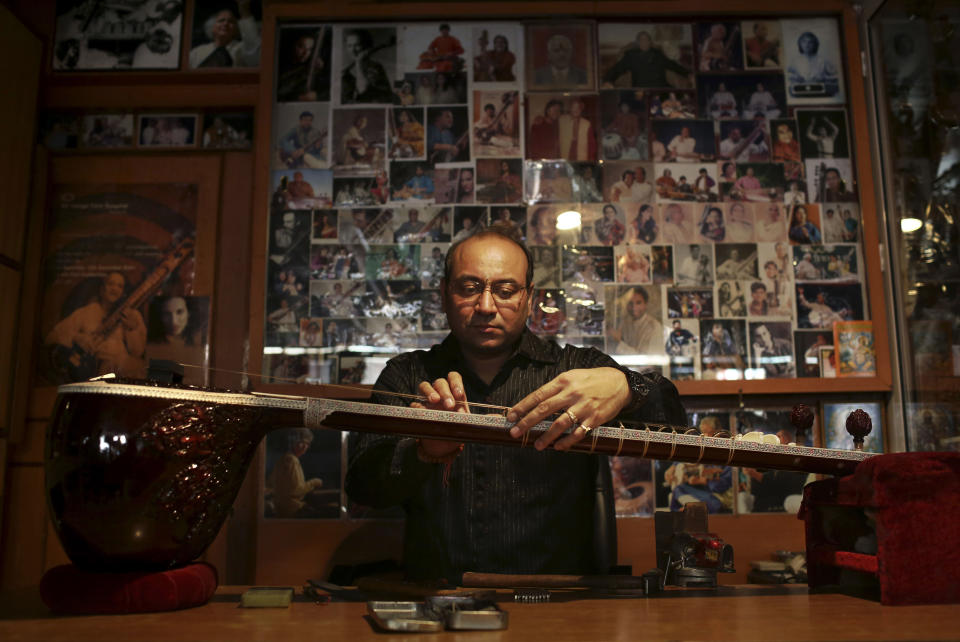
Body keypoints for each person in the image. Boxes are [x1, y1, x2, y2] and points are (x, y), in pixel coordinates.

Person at [345, 226, 685, 580]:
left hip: (559, 604)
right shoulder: (407, 375)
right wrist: (422, 449)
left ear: (529, 297)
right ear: (444, 294)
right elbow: (362, 486)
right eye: (469, 288)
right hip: (439, 604)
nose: (486, 306)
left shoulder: (575, 370)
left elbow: (676, 424)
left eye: (505, 291)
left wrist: (625, 387)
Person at [46, 271, 147, 380]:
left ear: (123, 292)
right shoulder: (86, 312)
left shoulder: (133, 315)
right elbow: (52, 336)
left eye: (120, 286)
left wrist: (132, 329)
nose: (114, 289)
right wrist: (77, 337)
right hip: (91, 373)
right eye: (110, 284)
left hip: (122, 374)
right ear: (102, 289)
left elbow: (138, 352)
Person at [602, 31, 693, 88]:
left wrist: (688, 74)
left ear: (650, 42)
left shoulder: (658, 54)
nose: (644, 42)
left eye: (646, 40)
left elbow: (673, 65)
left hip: (661, 91)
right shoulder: (631, 56)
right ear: (638, 43)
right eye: (641, 40)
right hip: (642, 91)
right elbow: (617, 69)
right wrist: (608, 80)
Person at [267, 428, 325, 518]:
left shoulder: (284, 459)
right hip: (291, 510)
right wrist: (314, 482)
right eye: (301, 442)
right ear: (293, 442)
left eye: (307, 444)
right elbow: (296, 491)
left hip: (282, 509)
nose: (304, 446)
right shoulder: (291, 460)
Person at [189, 1, 260, 68]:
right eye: (221, 20)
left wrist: (244, 11)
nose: (225, 23)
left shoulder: (242, 49)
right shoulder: (197, 52)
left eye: (231, 21)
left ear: (236, 29)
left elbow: (254, 55)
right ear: (212, 28)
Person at [341, 28, 394, 104]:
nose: (353, 50)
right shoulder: (347, 69)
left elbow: (363, 90)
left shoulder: (375, 67)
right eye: (349, 46)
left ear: (366, 47)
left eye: (357, 45)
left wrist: (359, 62)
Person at [609, 286, 664, 355]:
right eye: (630, 303)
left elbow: (644, 359)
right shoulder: (625, 322)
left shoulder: (654, 327)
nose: (634, 307)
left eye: (638, 303)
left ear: (645, 304)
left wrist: (619, 342)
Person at [277, 31, 329, 102]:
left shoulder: (311, 66)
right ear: (293, 44)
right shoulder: (281, 65)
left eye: (309, 49)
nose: (305, 53)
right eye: (301, 47)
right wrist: (299, 98)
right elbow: (280, 93)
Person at [787, 31, 840, 97]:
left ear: (815, 44)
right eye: (804, 42)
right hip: (800, 94)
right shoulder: (794, 61)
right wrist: (795, 78)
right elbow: (787, 77)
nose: (807, 45)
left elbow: (837, 77)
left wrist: (824, 78)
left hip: (820, 94)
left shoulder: (823, 61)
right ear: (799, 44)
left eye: (810, 42)